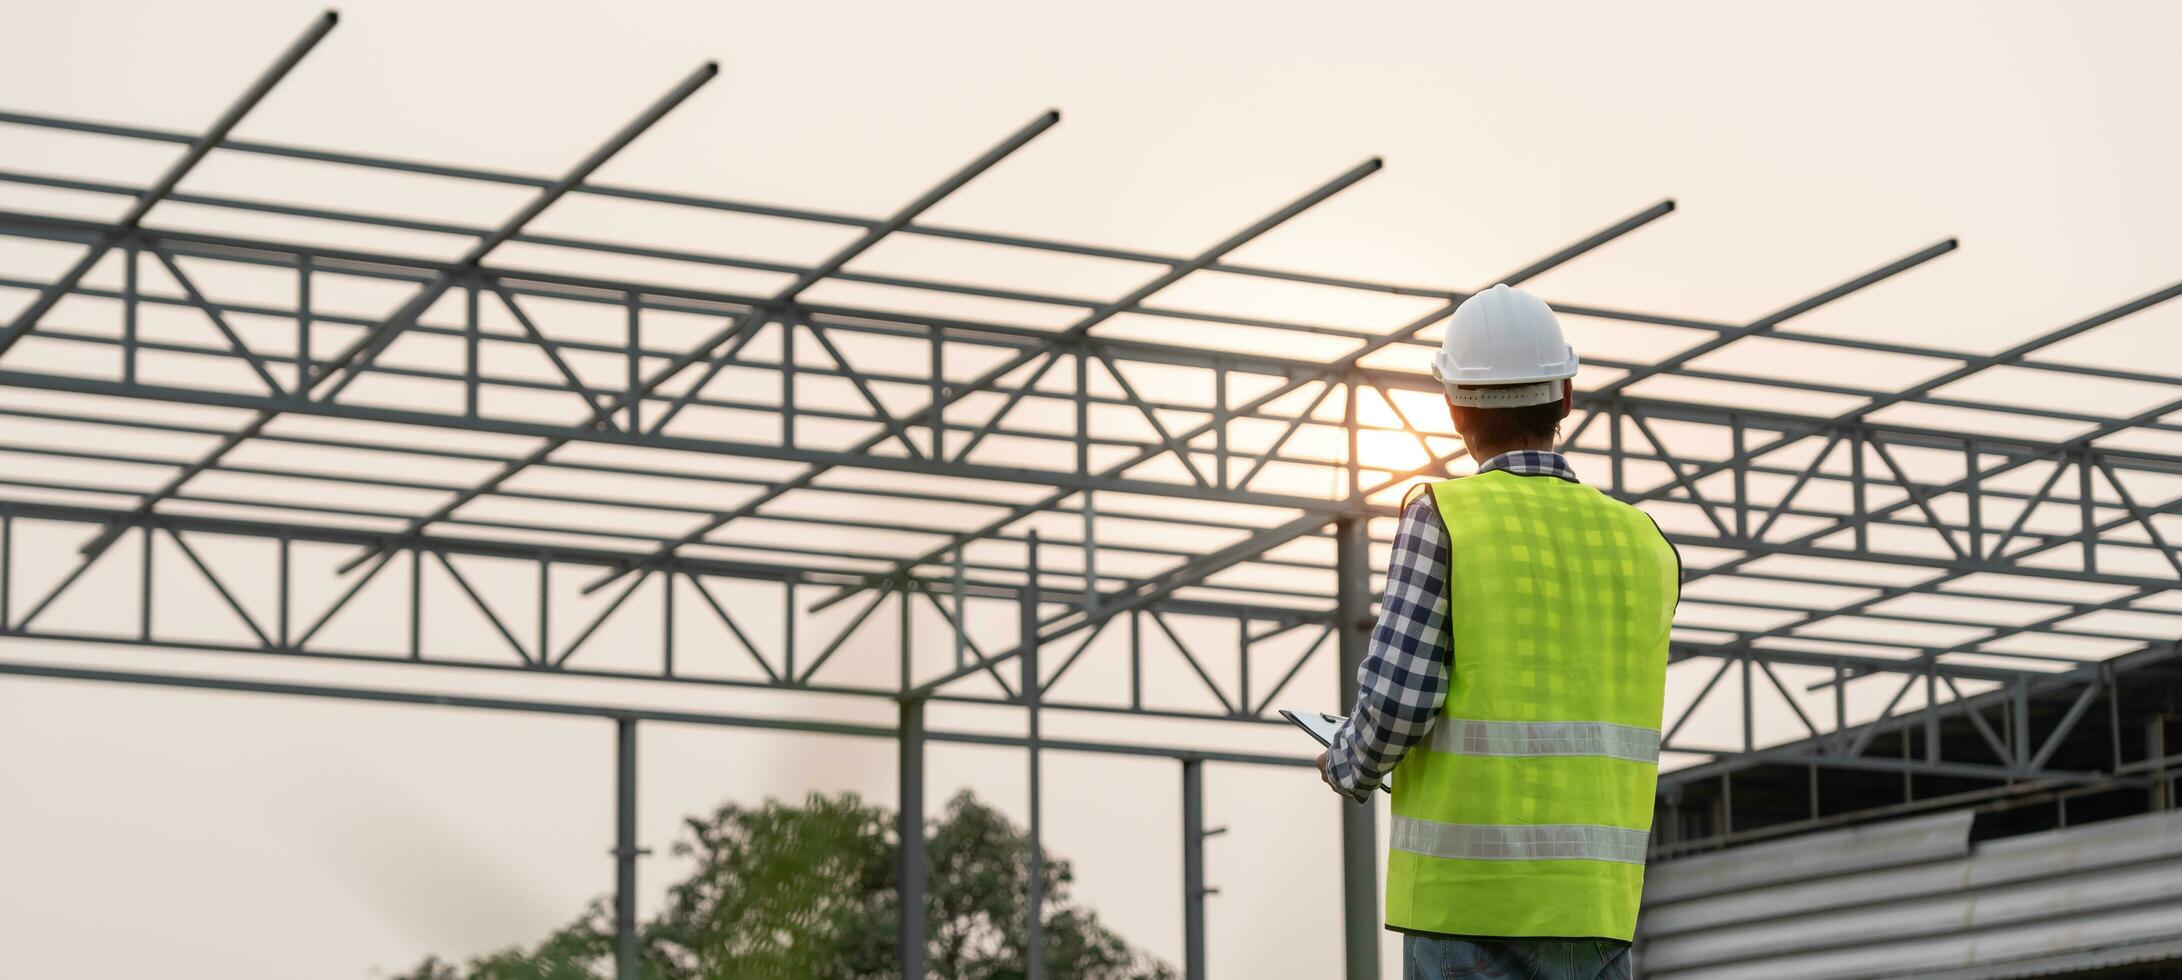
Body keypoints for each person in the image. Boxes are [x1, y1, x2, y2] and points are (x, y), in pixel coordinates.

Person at [1314, 284, 1680, 980]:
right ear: (1566, 396)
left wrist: (1348, 761)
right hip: (1595, 913)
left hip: (1468, 913)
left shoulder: (1445, 517)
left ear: (1454, 409)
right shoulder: (1645, 544)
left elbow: (1398, 700)